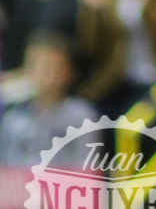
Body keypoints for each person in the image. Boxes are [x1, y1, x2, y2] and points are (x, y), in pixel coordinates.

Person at [0, 33, 95, 164]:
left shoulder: (82, 116)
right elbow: (6, 166)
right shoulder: (14, 118)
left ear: (68, 71)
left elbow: (86, 164)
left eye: (54, 68)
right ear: (26, 70)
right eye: (39, 67)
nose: (48, 76)